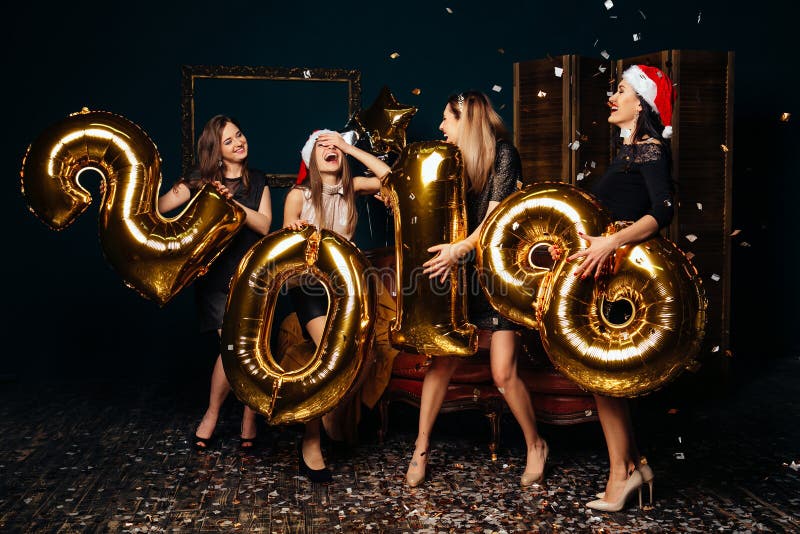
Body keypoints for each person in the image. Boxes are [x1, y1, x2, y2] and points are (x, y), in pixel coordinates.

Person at [407, 90, 548, 488]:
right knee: (442, 362)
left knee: (503, 373)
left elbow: (492, 222)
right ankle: (420, 448)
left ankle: (536, 445)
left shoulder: (504, 155)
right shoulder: (451, 160)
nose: (439, 127)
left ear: (464, 120)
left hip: (497, 276)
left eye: (446, 119)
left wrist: (457, 250)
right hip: (460, 277)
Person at [564, 64, 675, 511]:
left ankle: (622, 474)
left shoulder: (648, 148)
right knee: (602, 376)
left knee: (603, 375)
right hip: (609, 269)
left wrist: (612, 239)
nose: (612, 95)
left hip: (627, 272)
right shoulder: (628, 150)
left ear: (641, 104)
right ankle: (634, 466)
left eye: (622, 90)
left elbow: (663, 211)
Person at [158, 114, 272, 451]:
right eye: (229, 140)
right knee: (234, 347)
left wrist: (229, 202)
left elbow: (264, 225)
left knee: (250, 349)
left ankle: (248, 416)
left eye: (239, 134)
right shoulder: (199, 180)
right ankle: (214, 414)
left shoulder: (257, 179)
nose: (239, 142)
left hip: (252, 275)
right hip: (216, 278)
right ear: (216, 151)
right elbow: (162, 208)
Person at [283, 129, 391, 482]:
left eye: (335, 145)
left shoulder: (352, 187)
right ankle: (311, 441)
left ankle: (329, 424)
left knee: (347, 357)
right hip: (309, 287)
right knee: (327, 354)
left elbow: (388, 179)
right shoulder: (297, 195)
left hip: (346, 287)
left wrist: (349, 148)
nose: (330, 149)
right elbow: (284, 242)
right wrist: (295, 229)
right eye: (322, 145)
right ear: (309, 157)